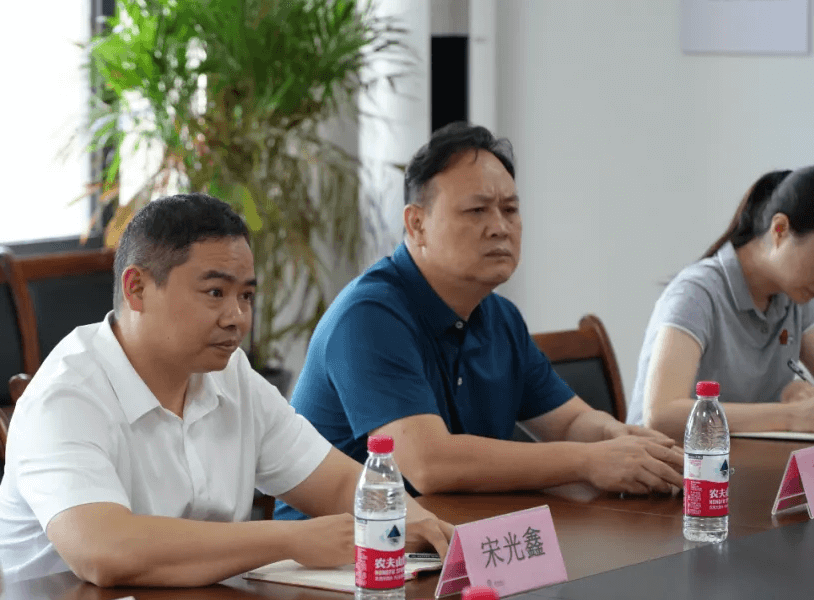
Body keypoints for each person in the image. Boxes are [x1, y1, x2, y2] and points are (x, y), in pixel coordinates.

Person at [0, 193, 453, 586]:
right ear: (137, 288)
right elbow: (104, 550)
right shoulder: (66, 396)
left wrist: (419, 523)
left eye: (246, 296)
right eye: (215, 293)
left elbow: (335, 482)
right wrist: (288, 539)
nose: (237, 318)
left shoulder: (230, 375)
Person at [276, 122, 683, 521]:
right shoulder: (368, 317)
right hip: (344, 548)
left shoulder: (500, 316)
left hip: (453, 534)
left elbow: (570, 422)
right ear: (417, 224)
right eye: (477, 211)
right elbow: (428, 464)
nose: (500, 228)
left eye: (510, 209)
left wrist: (620, 439)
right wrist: (589, 460)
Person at [629, 166, 814, 440]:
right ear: (780, 230)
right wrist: (790, 415)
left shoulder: (796, 295)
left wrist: (801, 396)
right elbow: (662, 414)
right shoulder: (696, 293)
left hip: (743, 459)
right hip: (670, 462)